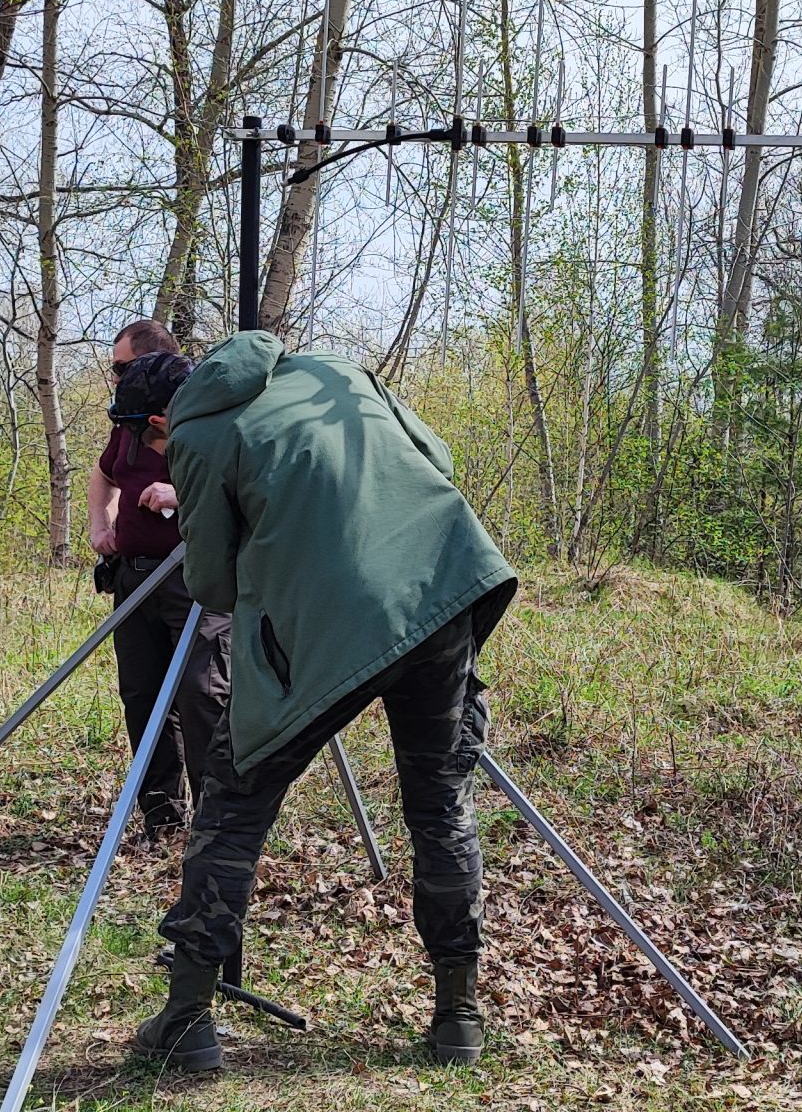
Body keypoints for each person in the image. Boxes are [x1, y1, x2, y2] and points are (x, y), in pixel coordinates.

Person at [118, 329, 518, 1073]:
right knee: (440, 807)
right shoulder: (333, 369)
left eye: (147, 438)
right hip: (442, 587)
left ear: (159, 422)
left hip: (327, 628)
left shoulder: (200, 434)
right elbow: (436, 460)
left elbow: (211, 582)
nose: (154, 448)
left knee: (233, 802)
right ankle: (459, 1017)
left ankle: (187, 1020)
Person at [87, 322, 230, 842]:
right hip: (134, 577)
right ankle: (162, 818)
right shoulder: (127, 420)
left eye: (121, 368)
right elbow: (104, 472)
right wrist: (100, 524)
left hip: (197, 582)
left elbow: (245, 494)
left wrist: (181, 493)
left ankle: (217, 826)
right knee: (143, 694)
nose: (116, 377)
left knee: (201, 693)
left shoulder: (215, 426)